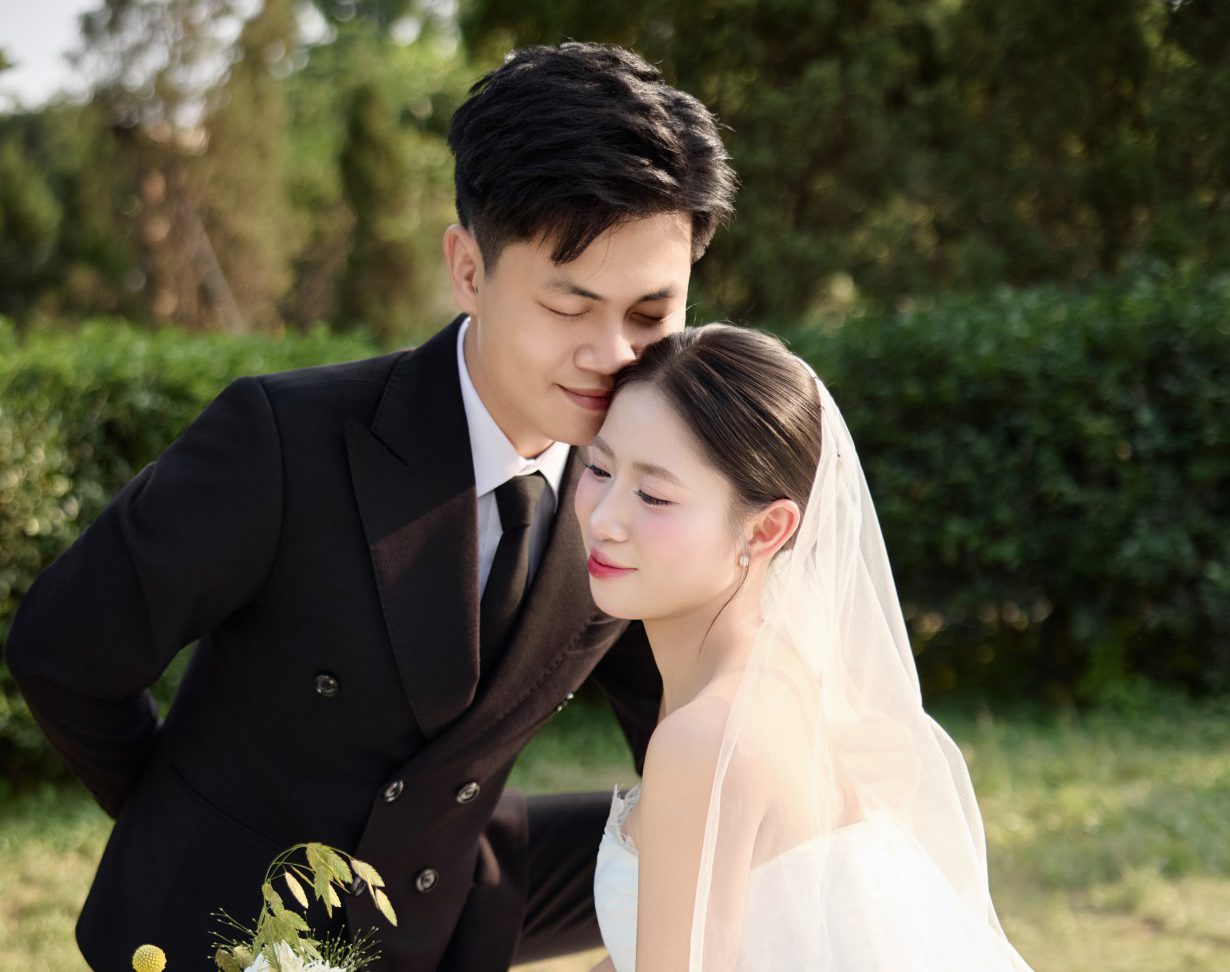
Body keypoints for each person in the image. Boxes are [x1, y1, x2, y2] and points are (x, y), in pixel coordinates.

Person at [4, 42, 737, 970]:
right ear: (467, 269)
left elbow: (679, 725)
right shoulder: (282, 441)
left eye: (649, 314)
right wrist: (188, 828)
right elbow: (64, 653)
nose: (613, 355)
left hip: (443, 915)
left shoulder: (639, 488)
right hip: (214, 938)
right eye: (568, 306)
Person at [576, 324, 1035, 970]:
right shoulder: (783, 670)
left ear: (766, 529)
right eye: (598, 468)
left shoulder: (706, 739)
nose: (602, 518)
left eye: (653, 495)